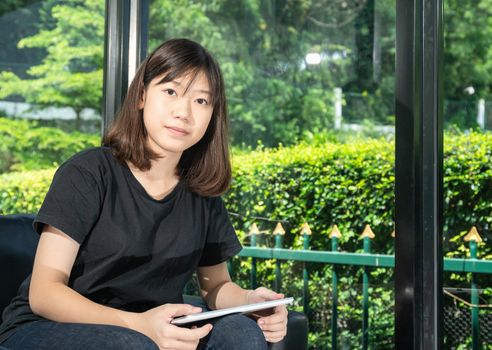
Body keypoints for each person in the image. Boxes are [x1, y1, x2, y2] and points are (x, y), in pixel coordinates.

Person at [0, 38, 288, 350]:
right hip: (48, 327)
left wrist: (250, 301)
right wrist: (139, 325)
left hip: (151, 328)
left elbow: (215, 285)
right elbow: (44, 293)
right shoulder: (87, 174)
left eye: (201, 101)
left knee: (240, 333)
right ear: (141, 96)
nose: (184, 112)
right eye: (171, 91)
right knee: (133, 345)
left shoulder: (202, 193)